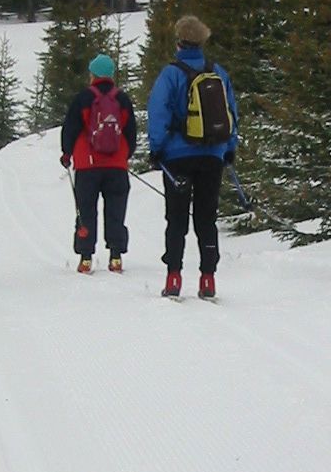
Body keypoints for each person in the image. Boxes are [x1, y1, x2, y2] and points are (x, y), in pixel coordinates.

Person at [146, 15, 239, 299]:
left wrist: (156, 148)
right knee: (206, 218)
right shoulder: (218, 72)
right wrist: (228, 147)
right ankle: (208, 279)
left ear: (179, 42)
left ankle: (174, 277)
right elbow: (231, 112)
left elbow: (158, 111)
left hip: (177, 156)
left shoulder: (171, 74)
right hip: (212, 155)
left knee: (176, 219)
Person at [59, 53, 138, 273]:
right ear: (111, 75)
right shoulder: (122, 99)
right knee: (115, 211)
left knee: (86, 211)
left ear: (92, 74)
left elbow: (71, 128)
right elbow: (131, 133)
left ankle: (86, 258)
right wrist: (124, 155)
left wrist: (67, 153)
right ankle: (116, 257)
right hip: (116, 166)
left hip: (87, 165)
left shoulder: (83, 98)